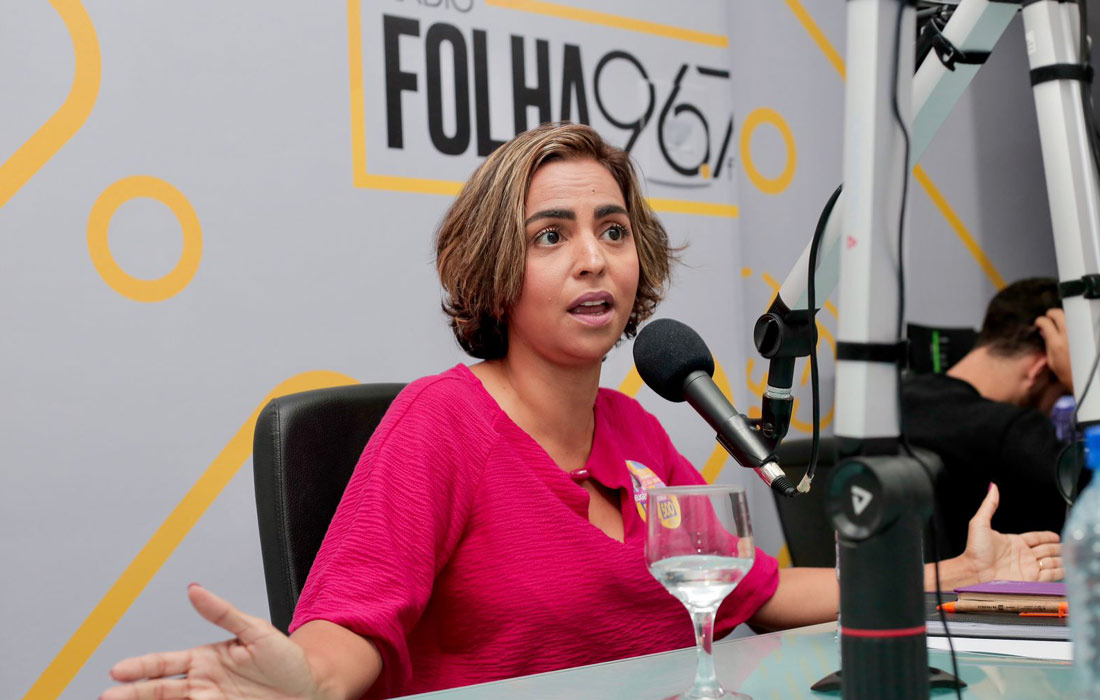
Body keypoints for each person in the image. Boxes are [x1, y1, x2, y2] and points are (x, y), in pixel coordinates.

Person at [101, 124, 1064, 700]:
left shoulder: (640, 431)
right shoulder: (439, 426)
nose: (593, 258)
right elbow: (348, 633)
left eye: (612, 230)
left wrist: (950, 574)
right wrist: (303, 685)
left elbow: (757, 592)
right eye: (550, 236)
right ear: (495, 270)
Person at [903, 277, 1077, 559]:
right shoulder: (1016, 432)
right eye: (1061, 393)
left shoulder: (895, 402)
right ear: (1039, 370)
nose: (1055, 406)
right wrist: (1084, 383)